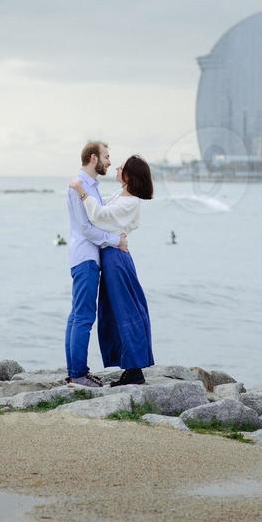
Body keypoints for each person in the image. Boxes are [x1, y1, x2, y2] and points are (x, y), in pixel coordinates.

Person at [69, 155, 154, 386]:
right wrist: (84, 192)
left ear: (129, 176)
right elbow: (98, 206)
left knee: (125, 311)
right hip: (112, 256)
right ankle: (130, 367)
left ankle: (135, 370)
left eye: (122, 167)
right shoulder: (121, 196)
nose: (116, 167)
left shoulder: (130, 201)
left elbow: (99, 215)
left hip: (116, 258)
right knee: (115, 313)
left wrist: (81, 190)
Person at [65, 142, 129, 388]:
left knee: (76, 316)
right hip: (86, 257)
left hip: (83, 257)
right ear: (93, 158)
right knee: (83, 317)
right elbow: (86, 228)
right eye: (106, 156)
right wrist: (116, 241)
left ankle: (75, 372)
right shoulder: (80, 186)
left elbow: (100, 215)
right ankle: (78, 374)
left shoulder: (89, 186)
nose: (109, 161)